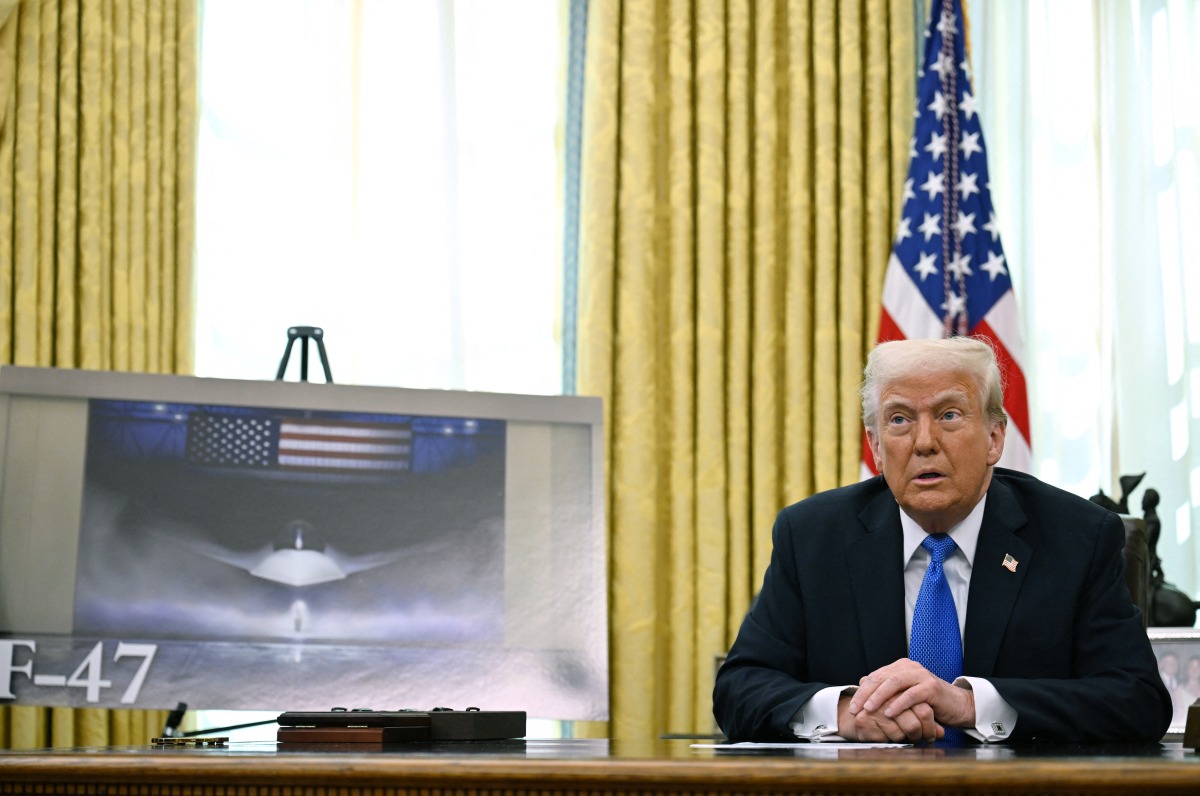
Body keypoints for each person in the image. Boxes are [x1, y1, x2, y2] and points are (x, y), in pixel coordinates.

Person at [713, 336, 1172, 744]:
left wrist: (970, 705)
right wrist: (846, 713)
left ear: (994, 438)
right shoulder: (813, 536)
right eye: (899, 420)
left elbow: (1137, 700)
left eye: (949, 415)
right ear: (875, 446)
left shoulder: (1078, 538)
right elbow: (740, 687)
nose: (924, 441)